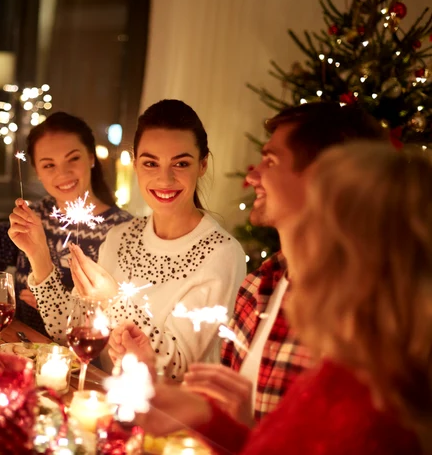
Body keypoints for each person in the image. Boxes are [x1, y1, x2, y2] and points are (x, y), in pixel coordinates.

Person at [137, 144, 430, 454]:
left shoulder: (359, 408)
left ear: (356, 256)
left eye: (310, 222)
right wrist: (207, 417)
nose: (295, 241)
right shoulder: (351, 371)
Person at [109, 102, 388, 424]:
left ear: (325, 178)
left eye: (270, 160)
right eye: (150, 162)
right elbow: (243, 429)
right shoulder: (260, 286)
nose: (252, 174)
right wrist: (152, 372)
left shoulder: (367, 312)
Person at [10, 99, 246, 379]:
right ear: (135, 164)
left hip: (166, 414)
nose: (165, 178)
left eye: (181, 163)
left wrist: (113, 301)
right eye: (151, 163)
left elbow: (176, 369)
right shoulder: (122, 235)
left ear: (203, 164)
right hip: (107, 398)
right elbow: (68, 330)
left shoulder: (221, 253)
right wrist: (39, 257)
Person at [0, 111, 132, 336]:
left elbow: (123, 316)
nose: (63, 172)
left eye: (73, 159)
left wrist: (54, 304)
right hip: (22, 347)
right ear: (37, 171)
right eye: (49, 165)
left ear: (91, 158)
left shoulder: (122, 231)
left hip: (81, 359)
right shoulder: (34, 216)